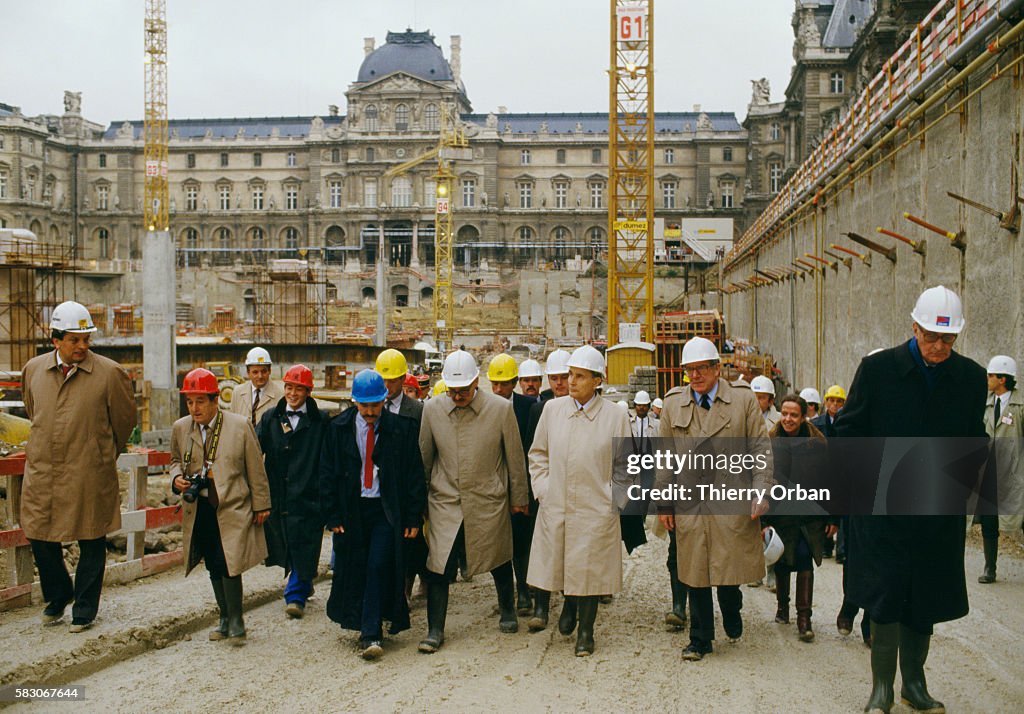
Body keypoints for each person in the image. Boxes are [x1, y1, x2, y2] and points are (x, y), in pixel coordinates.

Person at [836, 285, 988, 713]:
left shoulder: (970, 378)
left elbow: (974, 439)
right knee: (885, 598)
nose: (940, 346)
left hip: (935, 514)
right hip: (883, 513)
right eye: (932, 337)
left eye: (949, 338)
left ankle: (914, 685)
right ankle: (882, 689)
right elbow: (848, 431)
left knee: (924, 599)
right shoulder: (878, 370)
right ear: (914, 327)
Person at [21, 301, 137, 632]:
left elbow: (124, 422)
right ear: (56, 340)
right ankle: (59, 594)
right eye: (74, 340)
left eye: (86, 339)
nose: (82, 346)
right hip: (44, 470)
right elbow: (33, 410)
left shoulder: (109, 374)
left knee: (91, 535)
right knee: (38, 532)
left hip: (89, 471)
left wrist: (100, 453)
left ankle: (84, 608)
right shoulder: (34, 370)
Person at [657, 337, 772, 661]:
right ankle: (700, 639)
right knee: (695, 571)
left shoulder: (742, 401)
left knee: (727, 568)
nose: (694, 376)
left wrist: (761, 490)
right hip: (690, 502)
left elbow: (760, 448)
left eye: (701, 369)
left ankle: (732, 608)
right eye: (689, 370)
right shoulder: (673, 404)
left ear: (717, 369)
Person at [417, 350, 529, 653]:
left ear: (476, 382)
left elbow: (515, 458)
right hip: (445, 499)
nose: (457, 396)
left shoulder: (500, 409)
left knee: (498, 558)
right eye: (452, 391)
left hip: (487, 498)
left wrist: (519, 497)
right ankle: (435, 629)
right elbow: (425, 458)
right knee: (439, 565)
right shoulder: (432, 410)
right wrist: (420, 502)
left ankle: (507, 608)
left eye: (464, 390)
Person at [526, 346, 631, 656]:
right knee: (561, 563)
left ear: (597, 381)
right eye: (570, 374)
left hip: (596, 508)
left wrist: (614, 499)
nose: (571, 381)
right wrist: (543, 489)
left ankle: (586, 631)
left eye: (580, 376)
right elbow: (538, 454)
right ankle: (569, 605)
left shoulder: (615, 416)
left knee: (590, 571)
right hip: (557, 503)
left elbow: (626, 465)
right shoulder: (552, 410)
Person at [320, 370, 426, 659]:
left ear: (384, 401)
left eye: (375, 406)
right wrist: (332, 515)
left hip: (385, 510)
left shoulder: (401, 430)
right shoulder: (338, 428)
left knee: (378, 565)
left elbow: (414, 475)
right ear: (354, 402)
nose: (370, 412)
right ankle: (362, 620)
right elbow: (327, 474)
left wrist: (413, 517)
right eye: (364, 406)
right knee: (356, 566)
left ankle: (371, 633)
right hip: (352, 510)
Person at [171, 368, 271, 646]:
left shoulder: (239, 426)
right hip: (200, 508)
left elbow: (255, 468)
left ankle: (236, 620)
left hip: (232, 505)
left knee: (230, 561)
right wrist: (176, 478)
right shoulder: (181, 428)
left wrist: (261, 504)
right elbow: (174, 461)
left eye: (200, 401)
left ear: (215, 400)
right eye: (190, 402)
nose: (195, 408)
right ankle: (224, 617)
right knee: (213, 562)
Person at [257, 364, 326, 619]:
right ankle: (304, 582)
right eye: (289, 387)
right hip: (279, 495)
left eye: (299, 389)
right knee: (287, 543)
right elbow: (254, 450)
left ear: (308, 392)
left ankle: (295, 595)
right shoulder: (270, 419)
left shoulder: (321, 422)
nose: (293, 394)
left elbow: (329, 459)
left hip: (309, 496)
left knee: (304, 543)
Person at [765, 394, 836, 642]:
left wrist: (833, 518)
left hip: (809, 517)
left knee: (805, 559)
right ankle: (782, 607)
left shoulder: (818, 444)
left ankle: (804, 619)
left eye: (794, 415)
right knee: (783, 561)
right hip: (780, 516)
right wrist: (763, 521)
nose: (788, 419)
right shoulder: (770, 442)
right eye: (784, 413)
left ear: (804, 416)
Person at [374, 348, 427, 599]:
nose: (387, 386)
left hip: (407, 484)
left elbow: (424, 449)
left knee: (411, 541)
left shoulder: (416, 410)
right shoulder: (372, 406)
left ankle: (410, 583)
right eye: (383, 380)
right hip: (379, 484)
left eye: (392, 381)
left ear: (403, 379)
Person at [488, 352, 537, 613]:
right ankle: (504, 597)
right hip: (493, 488)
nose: (498, 389)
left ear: (514, 383)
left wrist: (524, 492)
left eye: (503, 384)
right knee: (497, 545)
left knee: (521, 542)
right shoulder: (483, 407)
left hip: (520, 486)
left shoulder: (528, 408)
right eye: (494, 384)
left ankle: (525, 592)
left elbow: (531, 451)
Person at [976, 355, 1024, 583]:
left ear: (1002, 379)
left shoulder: (1020, 407)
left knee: (1021, 519)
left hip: (1014, 473)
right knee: (989, 520)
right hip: (988, 473)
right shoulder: (984, 404)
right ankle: (990, 568)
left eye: (991, 376)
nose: (987, 380)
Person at [812, 385, 846, 558]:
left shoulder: (847, 422)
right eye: (831, 400)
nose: (835, 405)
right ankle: (825, 546)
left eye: (839, 401)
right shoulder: (816, 424)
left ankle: (841, 550)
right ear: (825, 402)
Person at [231, 346, 283, 427]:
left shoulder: (280, 394)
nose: (260, 376)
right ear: (248, 372)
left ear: (270, 370)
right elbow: (232, 422)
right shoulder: (237, 392)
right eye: (255, 372)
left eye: (264, 371)